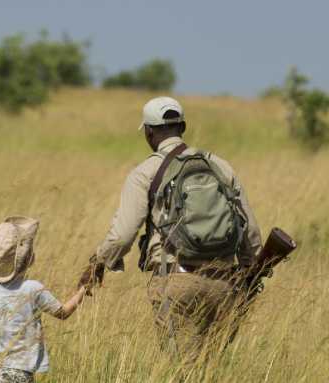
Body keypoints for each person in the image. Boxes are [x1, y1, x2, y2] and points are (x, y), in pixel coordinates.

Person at [78, 96, 262, 363]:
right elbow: (250, 232)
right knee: (212, 371)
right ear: (183, 127)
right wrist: (248, 276)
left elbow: (122, 235)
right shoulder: (220, 166)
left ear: (149, 132)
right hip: (224, 284)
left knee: (181, 370)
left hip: (175, 281)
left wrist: (98, 262)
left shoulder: (144, 172)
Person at [0, 216, 88, 383]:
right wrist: (83, 289)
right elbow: (63, 312)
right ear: (28, 260)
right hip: (22, 375)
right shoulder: (32, 288)